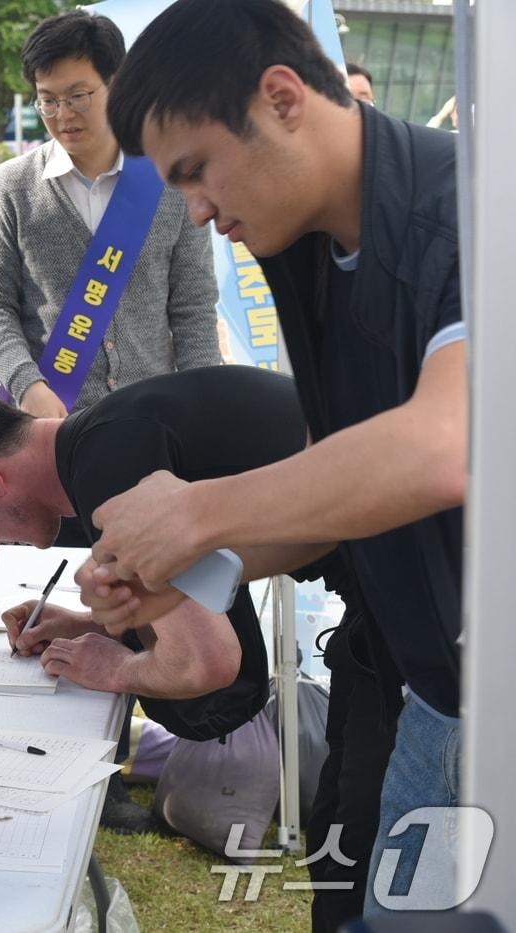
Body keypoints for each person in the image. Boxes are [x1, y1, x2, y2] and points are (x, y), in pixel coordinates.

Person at [99, 0, 465, 921]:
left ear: (282, 97)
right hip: (429, 686)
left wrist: (198, 511)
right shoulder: (301, 244)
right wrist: (189, 580)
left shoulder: (469, 211)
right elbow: (336, 472)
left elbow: (447, 442)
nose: (197, 211)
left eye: (196, 172)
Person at [0, 369, 322, 830]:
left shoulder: (111, 471)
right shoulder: (104, 438)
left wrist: (114, 669)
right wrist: (93, 625)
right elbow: (197, 596)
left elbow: (209, 662)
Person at [0, 10, 221, 428]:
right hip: (51, 423)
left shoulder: (167, 179)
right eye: (47, 100)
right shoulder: (10, 187)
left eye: (78, 96)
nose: (62, 115)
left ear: (118, 85)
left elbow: (193, 305)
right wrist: (28, 386)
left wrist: (202, 400)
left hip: (154, 417)